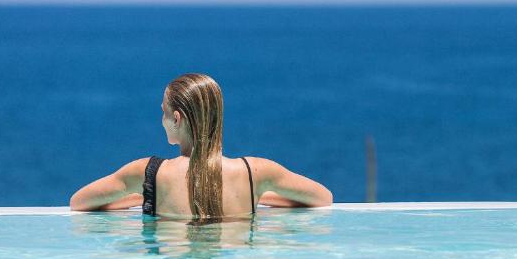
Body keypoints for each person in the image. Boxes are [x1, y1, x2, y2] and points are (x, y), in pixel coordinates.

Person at [70, 73, 333, 219]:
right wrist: (260, 196)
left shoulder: (148, 173)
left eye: (163, 112)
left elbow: (79, 202)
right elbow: (322, 198)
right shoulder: (256, 173)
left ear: (177, 119)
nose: (161, 120)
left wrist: (142, 198)